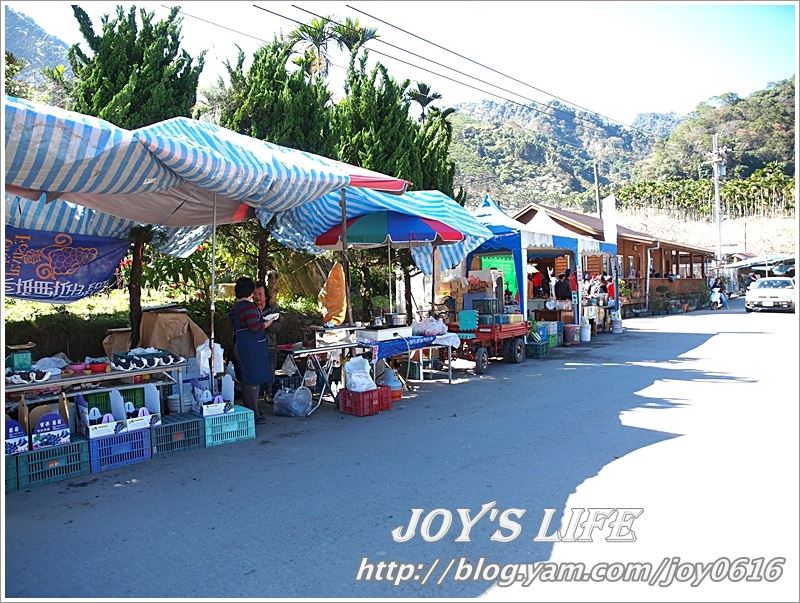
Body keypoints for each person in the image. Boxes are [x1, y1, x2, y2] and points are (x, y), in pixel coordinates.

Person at [229, 277, 274, 425]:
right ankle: (253, 412)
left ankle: (251, 410)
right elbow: (255, 326)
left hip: (240, 344)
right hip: (250, 346)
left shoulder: (235, 307)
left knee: (246, 378)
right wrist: (267, 323)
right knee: (252, 380)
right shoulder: (248, 307)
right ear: (250, 291)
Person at [253, 281, 281, 401]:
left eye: (260, 294)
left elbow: (277, 327)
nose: (257, 297)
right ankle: (255, 395)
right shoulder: (251, 308)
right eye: (255, 294)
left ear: (266, 296)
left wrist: (266, 324)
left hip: (269, 344)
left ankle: (268, 393)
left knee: (270, 371)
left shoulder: (273, 308)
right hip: (254, 345)